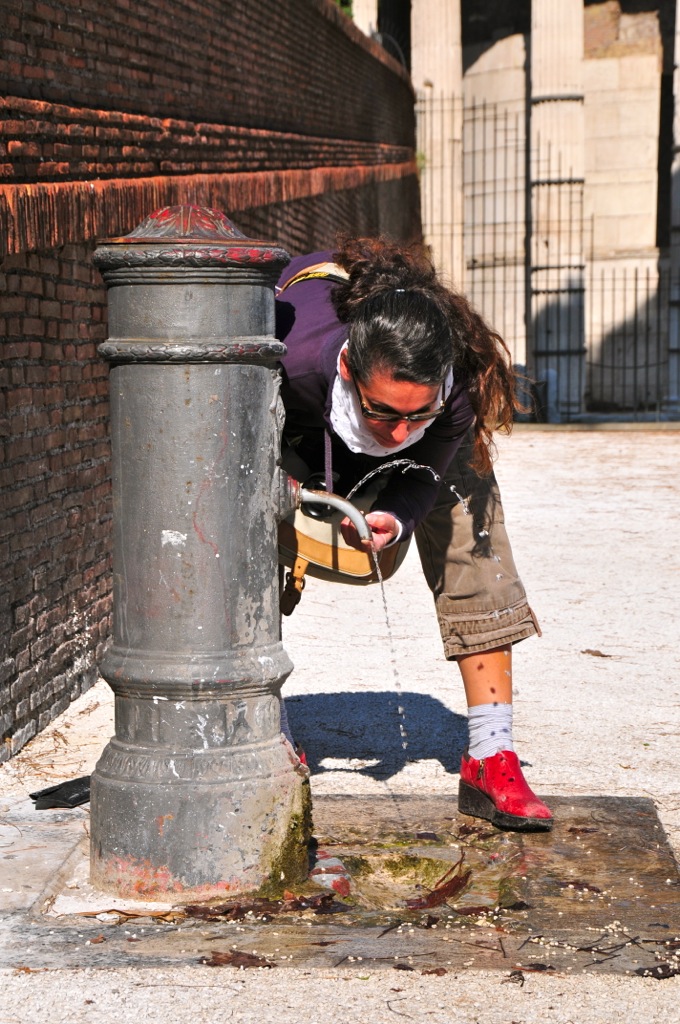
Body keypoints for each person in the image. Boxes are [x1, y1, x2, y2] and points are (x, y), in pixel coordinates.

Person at [275, 236, 553, 832]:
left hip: (417, 443)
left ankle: (490, 754)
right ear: (350, 366)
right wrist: (285, 489)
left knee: (471, 522)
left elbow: (423, 466)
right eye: (385, 412)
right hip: (293, 428)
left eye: (417, 415)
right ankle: (258, 728)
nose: (401, 433)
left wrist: (397, 514)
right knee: (237, 512)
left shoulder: (455, 389)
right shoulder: (290, 359)